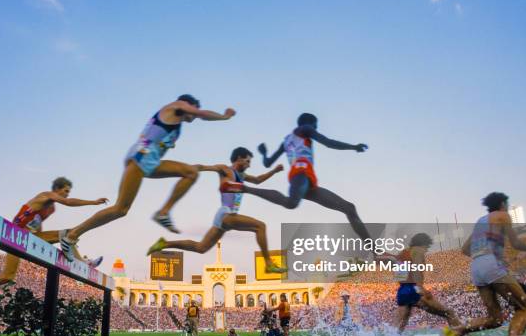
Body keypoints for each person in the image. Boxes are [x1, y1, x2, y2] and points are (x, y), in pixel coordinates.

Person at [60, 95, 235, 256]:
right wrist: (224, 117)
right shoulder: (177, 105)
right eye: (194, 111)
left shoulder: (176, 125)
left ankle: (163, 212)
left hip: (150, 160)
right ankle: (71, 236)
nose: (195, 117)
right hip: (141, 156)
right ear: (189, 105)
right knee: (120, 209)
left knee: (189, 173)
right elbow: (202, 114)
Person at [221, 113, 374, 251]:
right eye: (316, 126)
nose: (316, 129)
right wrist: (353, 147)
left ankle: (376, 253)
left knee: (349, 208)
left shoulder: (286, 140)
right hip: (301, 173)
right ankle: (245, 189)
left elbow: (268, 162)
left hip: (306, 178)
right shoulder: (306, 128)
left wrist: (263, 153)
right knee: (291, 203)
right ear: (311, 123)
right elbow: (328, 143)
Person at [147, 147, 286, 273]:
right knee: (260, 226)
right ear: (239, 158)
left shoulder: (242, 176)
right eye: (248, 161)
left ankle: (165, 243)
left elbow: (257, 180)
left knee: (201, 248)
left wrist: (274, 171)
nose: (249, 165)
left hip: (222, 217)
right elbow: (207, 167)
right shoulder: (225, 169)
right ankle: (268, 263)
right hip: (226, 214)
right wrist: (193, 169)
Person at [448, 192, 526, 336]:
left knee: (495, 319)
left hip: (477, 267)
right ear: (502, 203)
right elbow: (516, 243)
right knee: (525, 307)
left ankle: (456, 330)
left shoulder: (480, 221)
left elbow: (464, 249)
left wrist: (484, 257)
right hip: (490, 264)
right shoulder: (503, 215)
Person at [0, 177, 107, 292]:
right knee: (7, 276)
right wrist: (93, 202)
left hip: (29, 236)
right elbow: (68, 202)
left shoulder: (51, 208)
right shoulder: (46, 195)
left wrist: (42, 240)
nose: (67, 194)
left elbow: (37, 225)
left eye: (68, 192)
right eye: (66, 190)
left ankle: (83, 262)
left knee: (68, 234)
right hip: (14, 235)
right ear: (57, 189)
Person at [390, 233, 462, 336]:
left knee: (398, 328)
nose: (427, 250)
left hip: (402, 291)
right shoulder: (418, 250)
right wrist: (420, 289)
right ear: (424, 243)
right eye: (427, 247)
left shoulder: (402, 253)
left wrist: (408, 289)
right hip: (414, 289)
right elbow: (417, 271)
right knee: (449, 313)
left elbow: (399, 276)